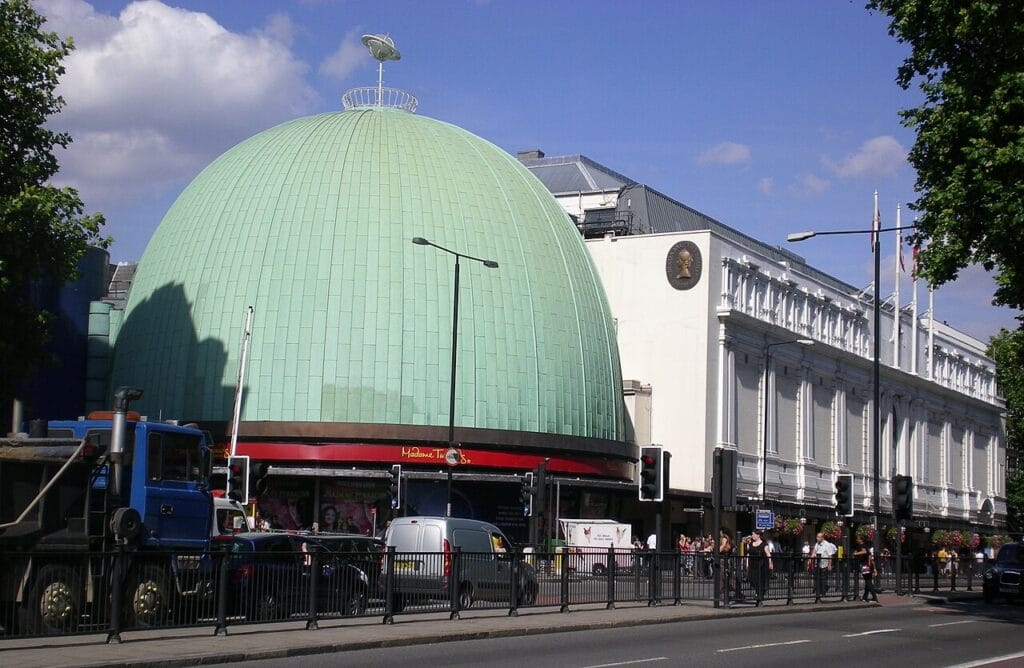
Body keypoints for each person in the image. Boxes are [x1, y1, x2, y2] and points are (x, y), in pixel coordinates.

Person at [747, 529, 772, 606]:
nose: (752, 536)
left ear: (758, 535)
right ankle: (758, 594)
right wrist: (747, 563)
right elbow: (748, 554)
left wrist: (770, 563)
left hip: (761, 565)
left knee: (760, 581)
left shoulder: (764, 544)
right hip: (752, 565)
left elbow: (768, 554)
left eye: (753, 534)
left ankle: (759, 596)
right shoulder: (751, 544)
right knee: (753, 580)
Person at [853, 536, 879, 602]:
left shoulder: (861, 545)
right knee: (868, 581)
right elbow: (870, 557)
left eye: (858, 539)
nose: (856, 540)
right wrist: (874, 568)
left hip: (865, 566)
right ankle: (865, 597)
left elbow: (864, 552)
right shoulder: (866, 546)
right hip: (869, 565)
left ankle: (875, 597)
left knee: (868, 582)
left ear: (861, 540)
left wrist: (855, 553)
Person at [812, 531, 837, 597]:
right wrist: (812, 556)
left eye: (819, 537)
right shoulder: (817, 543)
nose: (817, 538)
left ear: (823, 538)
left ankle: (823, 593)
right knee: (818, 578)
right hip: (818, 563)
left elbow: (830, 555)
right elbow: (814, 551)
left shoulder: (827, 544)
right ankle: (819, 592)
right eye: (817, 537)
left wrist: (829, 565)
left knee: (824, 578)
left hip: (824, 563)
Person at [719, 528, 735, 601]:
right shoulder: (730, 538)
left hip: (723, 558)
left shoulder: (724, 538)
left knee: (722, 576)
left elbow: (722, 547)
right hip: (727, 558)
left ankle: (722, 593)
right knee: (725, 575)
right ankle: (725, 592)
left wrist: (717, 550)